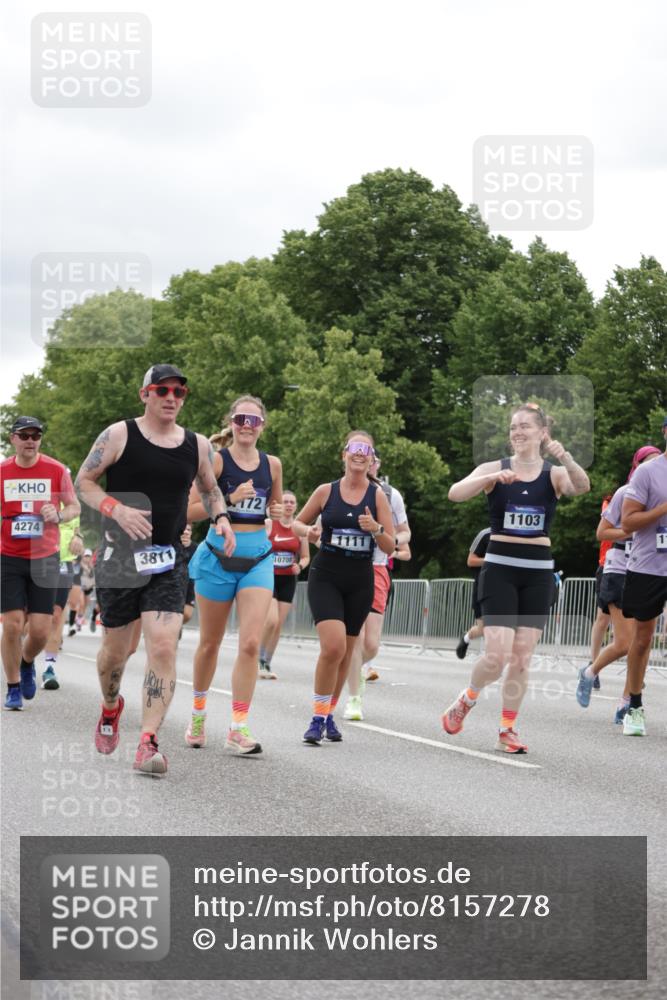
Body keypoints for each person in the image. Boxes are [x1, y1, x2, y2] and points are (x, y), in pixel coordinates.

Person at [75, 364, 233, 775]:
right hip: (119, 558)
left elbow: (210, 488)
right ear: (145, 393)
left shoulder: (197, 445)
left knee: (162, 645)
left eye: (180, 392)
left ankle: (147, 741)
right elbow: (84, 482)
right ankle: (111, 708)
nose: (172, 397)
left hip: (167, 558)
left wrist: (221, 519)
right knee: (115, 653)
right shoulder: (119, 434)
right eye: (163, 390)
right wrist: (117, 509)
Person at [442, 403, 590, 753]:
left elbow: (581, 487)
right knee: (496, 654)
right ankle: (467, 699)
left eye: (525, 426)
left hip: (538, 572)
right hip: (500, 569)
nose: (518, 432)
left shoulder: (553, 473)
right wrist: (488, 479)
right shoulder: (494, 468)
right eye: (513, 427)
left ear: (542, 433)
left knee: (522, 657)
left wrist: (566, 457)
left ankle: (507, 728)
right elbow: (455, 493)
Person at [186, 395, 283, 753]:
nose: (247, 425)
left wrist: (281, 517)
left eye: (253, 420)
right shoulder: (217, 461)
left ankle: (238, 727)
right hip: (217, 557)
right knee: (209, 643)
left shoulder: (272, 465)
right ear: (232, 421)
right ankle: (197, 714)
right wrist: (231, 502)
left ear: (262, 426)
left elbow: (274, 508)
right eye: (241, 418)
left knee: (250, 643)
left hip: (257, 559)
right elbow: (191, 511)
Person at [293, 431, 396, 745]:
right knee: (334, 647)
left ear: (371, 458)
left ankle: (328, 715)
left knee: (348, 651)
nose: (360, 453)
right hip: (327, 574)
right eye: (355, 447)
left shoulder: (377, 496)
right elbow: (298, 523)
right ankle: (316, 717)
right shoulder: (327, 491)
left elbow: (390, 545)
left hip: (359, 577)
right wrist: (309, 532)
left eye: (366, 449)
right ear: (344, 454)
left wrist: (375, 529)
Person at [575, 447, 661, 718]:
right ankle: (590, 672)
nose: (654, 465)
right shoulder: (626, 493)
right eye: (648, 462)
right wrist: (632, 530)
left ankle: (627, 701)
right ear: (637, 466)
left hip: (648, 569)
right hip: (619, 569)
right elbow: (602, 532)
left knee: (642, 642)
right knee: (625, 642)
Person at [1, 417, 80, 710]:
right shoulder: (3, 472)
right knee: (12, 625)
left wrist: (58, 515)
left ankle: (26, 661)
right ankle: (12, 687)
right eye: (25, 435)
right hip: (9, 557)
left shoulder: (56, 470)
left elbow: (74, 507)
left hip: (45, 556)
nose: (31, 440)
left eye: (36, 435)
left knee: (40, 631)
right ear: (14, 439)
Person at [342, 452, 411, 721]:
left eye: (372, 459)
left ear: (376, 464)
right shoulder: (342, 489)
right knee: (355, 638)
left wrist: (386, 536)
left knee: (371, 644)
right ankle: (354, 698)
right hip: (348, 565)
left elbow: (405, 533)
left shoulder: (390, 495)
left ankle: (354, 667)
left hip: (378, 568)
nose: (367, 464)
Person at [618, 419, 667, 737]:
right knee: (642, 638)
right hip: (649, 565)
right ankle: (633, 705)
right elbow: (628, 521)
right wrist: (663, 509)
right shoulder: (649, 472)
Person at [258, 491, 310, 680]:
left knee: (278, 624)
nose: (288, 505)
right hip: (269, 577)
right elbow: (257, 544)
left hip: (288, 579)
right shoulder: (269, 524)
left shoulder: (299, 529)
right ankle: (258, 658)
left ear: (296, 506)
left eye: (291, 502)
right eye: (285, 501)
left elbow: (305, 556)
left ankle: (267, 662)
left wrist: (300, 566)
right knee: (270, 620)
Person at [41, 514, 85, 689]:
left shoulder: (70, 500)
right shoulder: (39, 491)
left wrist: (78, 538)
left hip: (63, 561)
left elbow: (76, 530)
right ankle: (25, 660)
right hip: (35, 558)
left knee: (56, 615)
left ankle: (49, 667)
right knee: (30, 620)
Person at [456, 527, 491, 660]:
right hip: (483, 588)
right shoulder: (485, 534)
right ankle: (466, 638)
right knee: (483, 629)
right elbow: (470, 561)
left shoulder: (515, 536)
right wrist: (491, 560)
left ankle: (494, 661)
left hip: (504, 590)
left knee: (495, 627)